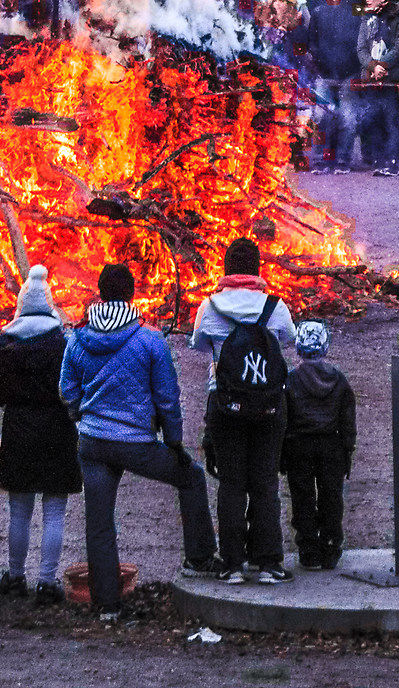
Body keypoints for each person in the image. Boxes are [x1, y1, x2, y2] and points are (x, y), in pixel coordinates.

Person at [59, 260, 217, 622]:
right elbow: (167, 397)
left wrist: (80, 414)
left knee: (99, 522)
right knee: (190, 478)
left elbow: (66, 389)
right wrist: (173, 441)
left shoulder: (77, 339)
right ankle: (199, 558)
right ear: (132, 293)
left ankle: (107, 607)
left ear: (100, 292)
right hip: (136, 444)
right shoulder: (148, 339)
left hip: (93, 443)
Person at [191, 237, 297, 582]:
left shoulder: (209, 307)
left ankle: (233, 564)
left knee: (231, 483)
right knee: (265, 481)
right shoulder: (275, 307)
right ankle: (267, 563)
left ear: (226, 269)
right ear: (257, 270)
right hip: (269, 404)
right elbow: (290, 340)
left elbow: (198, 345)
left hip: (224, 404)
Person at [0, 265, 80, 603]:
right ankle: (46, 581)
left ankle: (15, 577)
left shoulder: (5, 343)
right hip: (58, 429)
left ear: (21, 304)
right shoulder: (65, 342)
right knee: (54, 511)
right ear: (50, 304)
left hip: (19, 430)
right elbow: (73, 389)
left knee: (19, 511)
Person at [279, 319, 356, 571]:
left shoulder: (289, 381)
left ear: (298, 348)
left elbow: (283, 419)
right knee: (331, 497)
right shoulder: (339, 381)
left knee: (302, 497)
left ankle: (309, 550)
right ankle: (331, 546)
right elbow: (347, 420)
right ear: (325, 347)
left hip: (298, 446)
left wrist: (281, 453)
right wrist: (347, 450)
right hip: (331, 445)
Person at [307, 0, 362, 170]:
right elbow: (311, 42)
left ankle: (343, 159)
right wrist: (317, 61)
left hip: (349, 73)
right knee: (322, 117)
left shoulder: (355, 12)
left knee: (348, 118)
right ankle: (319, 159)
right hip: (324, 74)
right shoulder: (318, 12)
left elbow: (362, 40)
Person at [354, 0, 399, 174]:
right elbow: (360, 48)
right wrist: (372, 66)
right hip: (370, 78)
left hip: (391, 77)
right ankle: (379, 160)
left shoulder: (397, 17)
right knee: (374, 119)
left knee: (392, 119)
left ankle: (392, 161)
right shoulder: (364, 19)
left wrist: (382, 66)